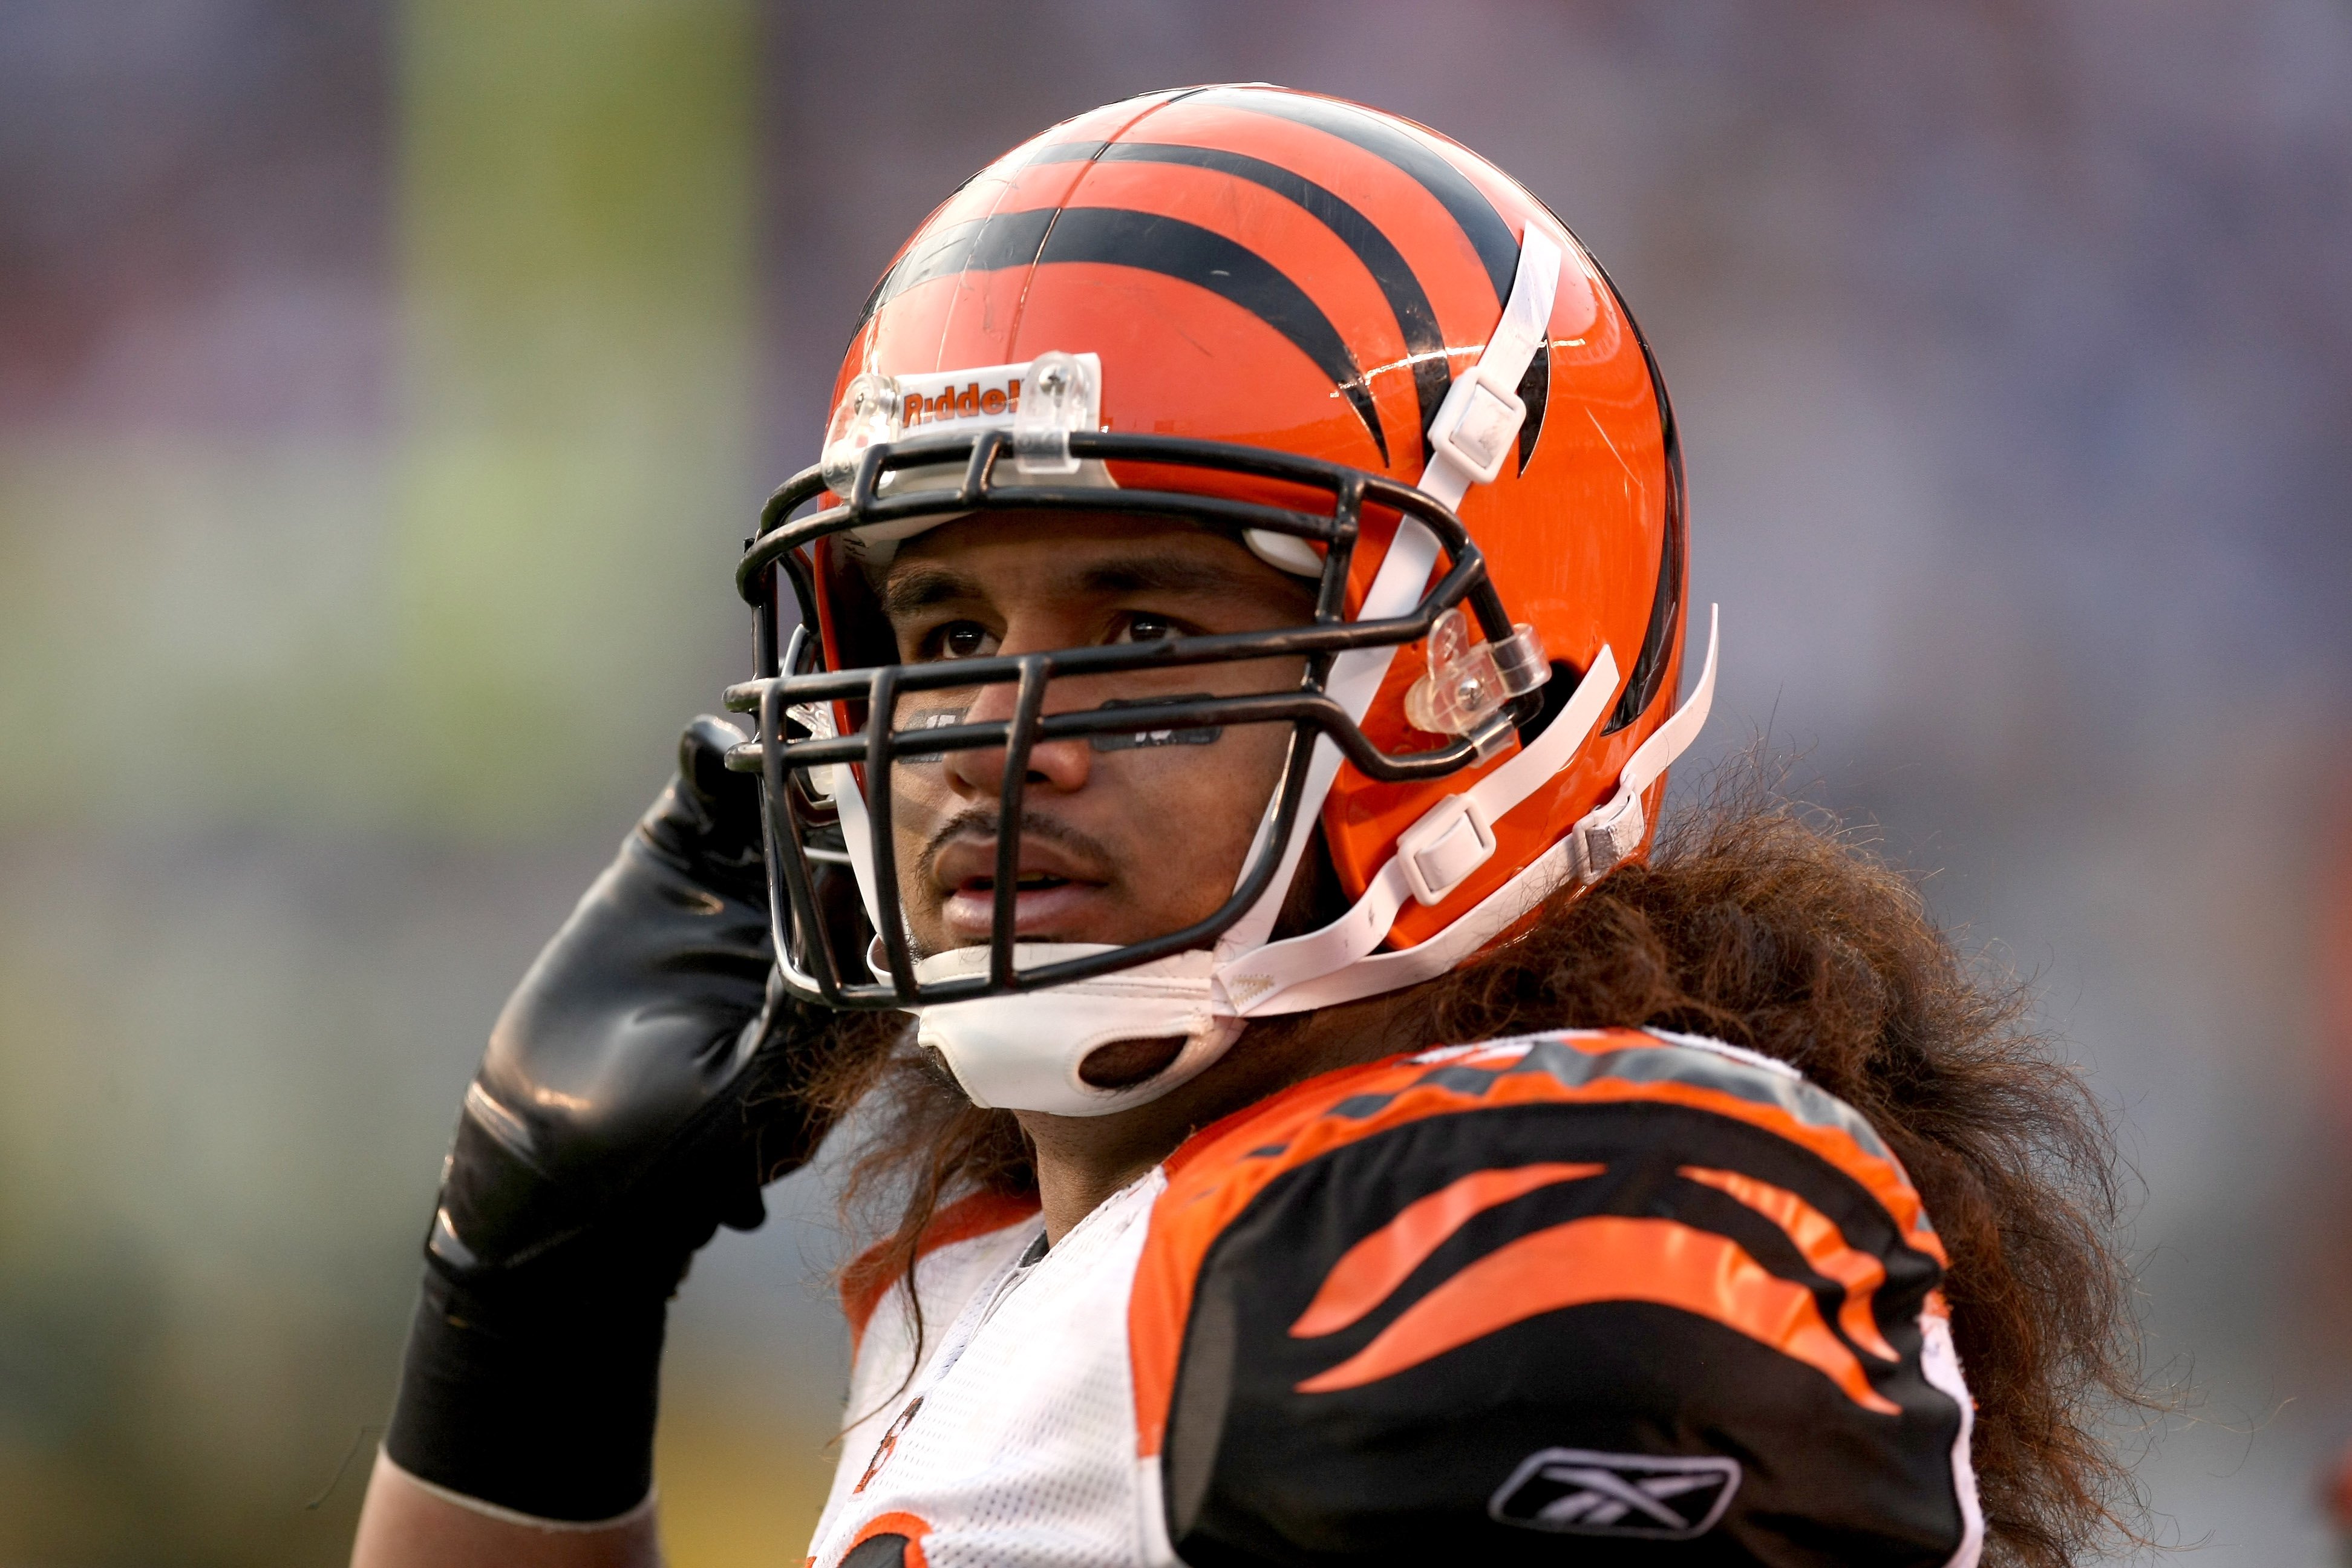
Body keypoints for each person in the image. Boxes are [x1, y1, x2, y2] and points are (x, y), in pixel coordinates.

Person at [351, 86, 2140, 1568]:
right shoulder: (1051, 1285)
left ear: (1480, 687)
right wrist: (529, 1328)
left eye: (1142, 633)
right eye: (949, 633)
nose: (993, 739)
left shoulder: (1499, 1247)